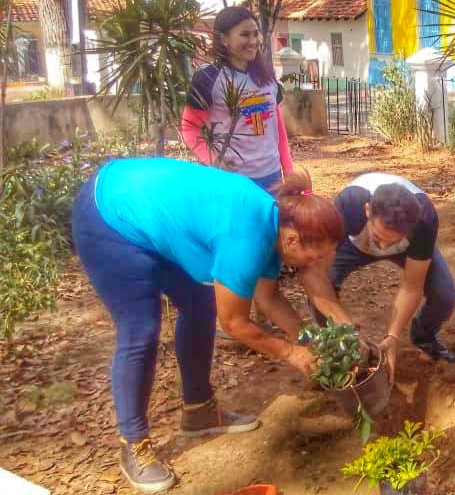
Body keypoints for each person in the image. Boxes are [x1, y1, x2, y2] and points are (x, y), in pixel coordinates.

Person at [71, 158, 349, 494]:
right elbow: (234, 323)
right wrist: (291, 352)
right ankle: (133, 444)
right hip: (110, 216)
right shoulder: (246, 240)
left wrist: (308, 341)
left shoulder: (272, 222)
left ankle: (199, 411)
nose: (316, 266)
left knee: (199, 307)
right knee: (140, 330)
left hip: (152, 213)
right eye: (315, 257)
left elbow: (269, 298)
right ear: (292, 241)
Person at [308, 173, 455, 378]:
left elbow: (412, 286)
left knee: (445, 295)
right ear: (367, 210)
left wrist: (393, 336)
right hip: (354, 245)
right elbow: (316, 280)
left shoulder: (423, 221)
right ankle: (339, 352)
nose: (383, 247)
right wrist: (348, 331)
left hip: (405, 249)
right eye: (379, 238)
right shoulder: (348, 207)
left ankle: (424, 337)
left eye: (392, 242)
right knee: (323, 294)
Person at [181, 6, 294, 191]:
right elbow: (189, 127)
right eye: (245, 35)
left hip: (272, 178)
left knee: (270, 221)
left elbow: (278, 130)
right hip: (232, 181)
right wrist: (214, 160)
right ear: (224, 39)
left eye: (256, 34)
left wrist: (289, 173)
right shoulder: (207, 79)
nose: (253, 41)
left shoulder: (267, 77)